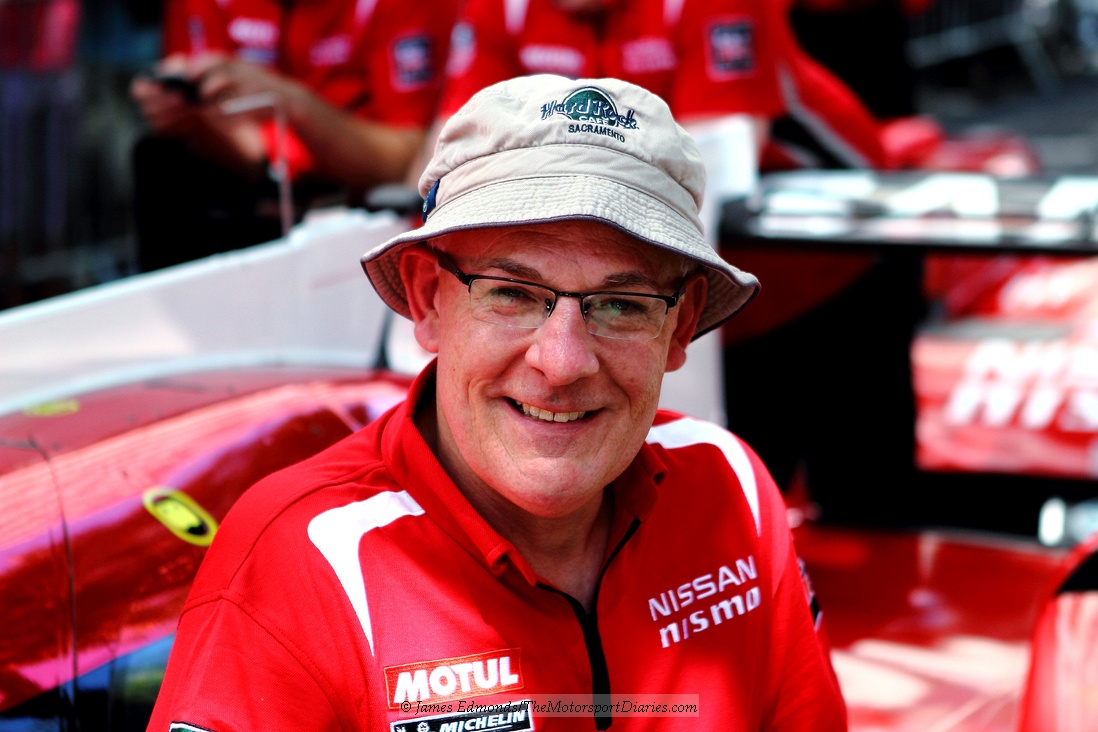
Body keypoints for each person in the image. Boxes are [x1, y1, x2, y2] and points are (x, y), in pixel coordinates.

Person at [146, 74, 847, 731]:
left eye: (622, 304)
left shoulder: (730, 488)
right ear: (429, 300)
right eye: (511, 293)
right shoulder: (304, 560)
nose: (562, 362)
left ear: (681, 326)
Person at [430, 0, 922, 526]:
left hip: (831, 273)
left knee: (855, 510)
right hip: (666, 289)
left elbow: (713, 170)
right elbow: (452, 155)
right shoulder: (499, 7)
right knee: (708, 510)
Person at [129, 0, 457, 272]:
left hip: (359, 223)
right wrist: (180, 112)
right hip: (246, 200)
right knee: (158, 157)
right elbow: (248, 152)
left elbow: (409, 169)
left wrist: (290, 102)